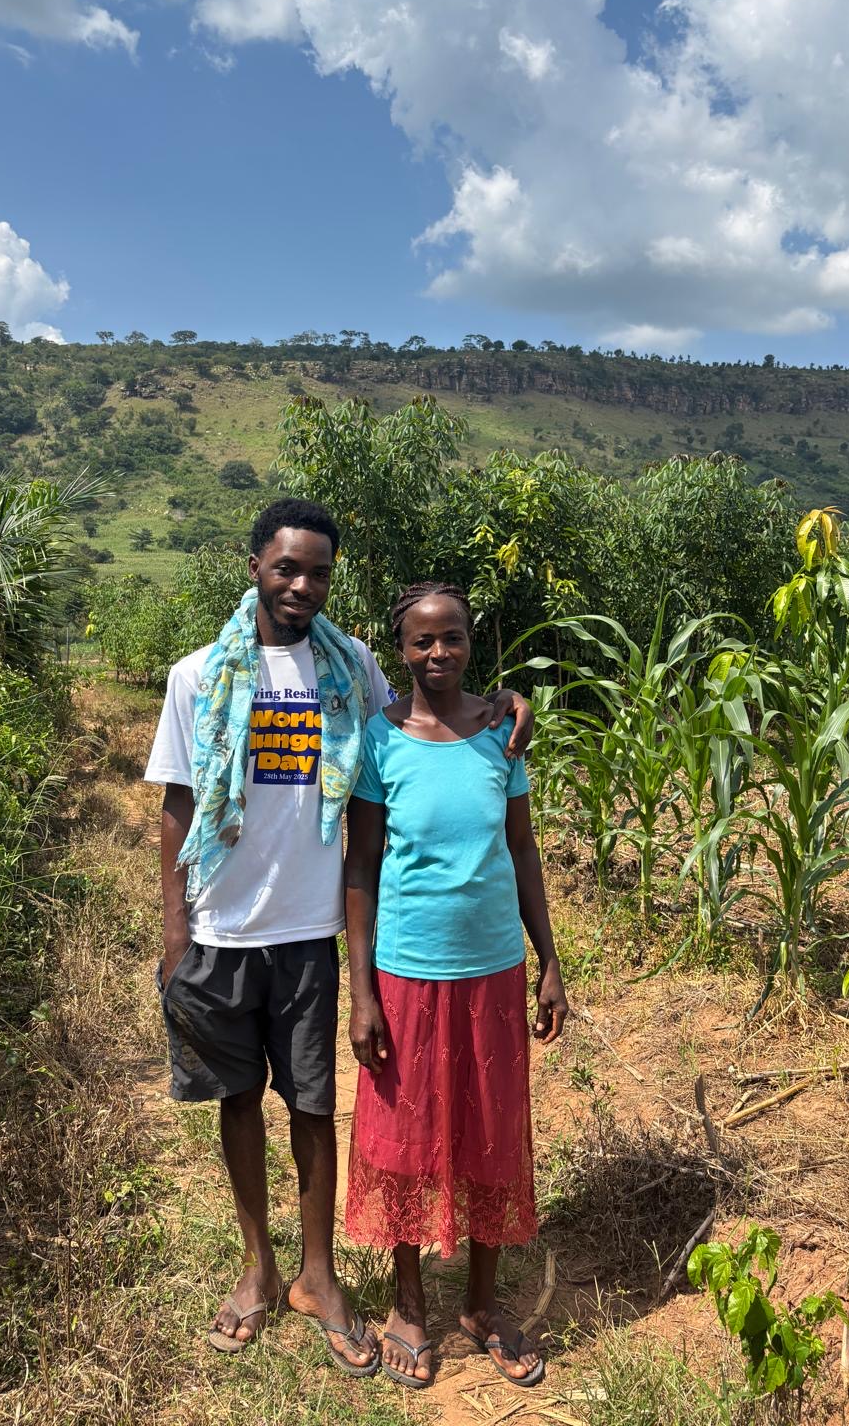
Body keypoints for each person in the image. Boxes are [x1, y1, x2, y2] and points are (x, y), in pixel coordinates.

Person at [143, 500, 532, 1371]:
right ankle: (258, 1266)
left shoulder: (351, 664)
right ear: (254, 566)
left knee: (312, 1105)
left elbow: (434, 709)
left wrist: (507, 698)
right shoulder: (197, 675)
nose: (302, 584)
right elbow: (174, 806)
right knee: (238, 1102)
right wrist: (175, 930)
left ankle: (320, 1275)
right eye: (287, 567)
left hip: (312, 931)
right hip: (219, 927)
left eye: (318, 571)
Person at [343, 580, 568, 1392]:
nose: (438, 655)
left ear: (473, 643)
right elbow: (361, 869)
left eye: (453, 639)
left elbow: (524, 851)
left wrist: (548, 961)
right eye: (421, 642)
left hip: (494, 974)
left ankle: (479, 1302)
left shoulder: (501, 734)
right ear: (397, 649)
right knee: (404, 1140)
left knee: (492, 1133)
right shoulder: (380, 740)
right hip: (407, 974)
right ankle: (408, 1306)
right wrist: (361, 990)